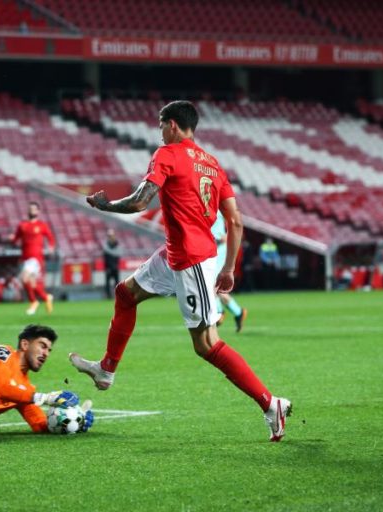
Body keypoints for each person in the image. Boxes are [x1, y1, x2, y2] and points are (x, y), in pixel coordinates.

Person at [69, 101, 292, 442]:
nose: (160, 133)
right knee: (125, 294)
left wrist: (105, 205)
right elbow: (234, 220)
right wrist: (229, 267)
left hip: (191, 259)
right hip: (176, 254)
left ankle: (269, 404)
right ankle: (106, 370)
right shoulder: (213, 165)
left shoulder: (167, 153)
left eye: (161, 126)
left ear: (172, 125)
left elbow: (141, 201)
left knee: (206, 344)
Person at [11, 201, 56, 315]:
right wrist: (11, 239)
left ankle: (34, 301)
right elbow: (15, 239)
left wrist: (51, 247)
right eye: (30, 209)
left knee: (24, 278)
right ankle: (46, 297)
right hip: (25, 258)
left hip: (36, 258)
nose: (32, 211)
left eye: (34, 209)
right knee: (31, 283)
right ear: (28, 211)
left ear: (38, 211)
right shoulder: (22, 225)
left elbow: (50, 238)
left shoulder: (42, 225)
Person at [211, 212, 247, 332]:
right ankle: (238, 312)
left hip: (219, 246)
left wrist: (227, 235)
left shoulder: (214, 201)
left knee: (211, 283)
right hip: (210, 246)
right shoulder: (202, 200)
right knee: (216, 288)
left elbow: (234, 218)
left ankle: (219, 312)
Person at [102, 228, 122, 298]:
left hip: (115, 267)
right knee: (107, 283)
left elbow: (118, 257)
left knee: (117, 283)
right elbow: (105, 258)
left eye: (112, 235)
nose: (111, 237)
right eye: (109, 236)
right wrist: (107, 267)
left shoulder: (117, 245)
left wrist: (116, 265)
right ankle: (108, 296)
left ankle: (118, 296)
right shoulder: (106, 246)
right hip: (109, 268)